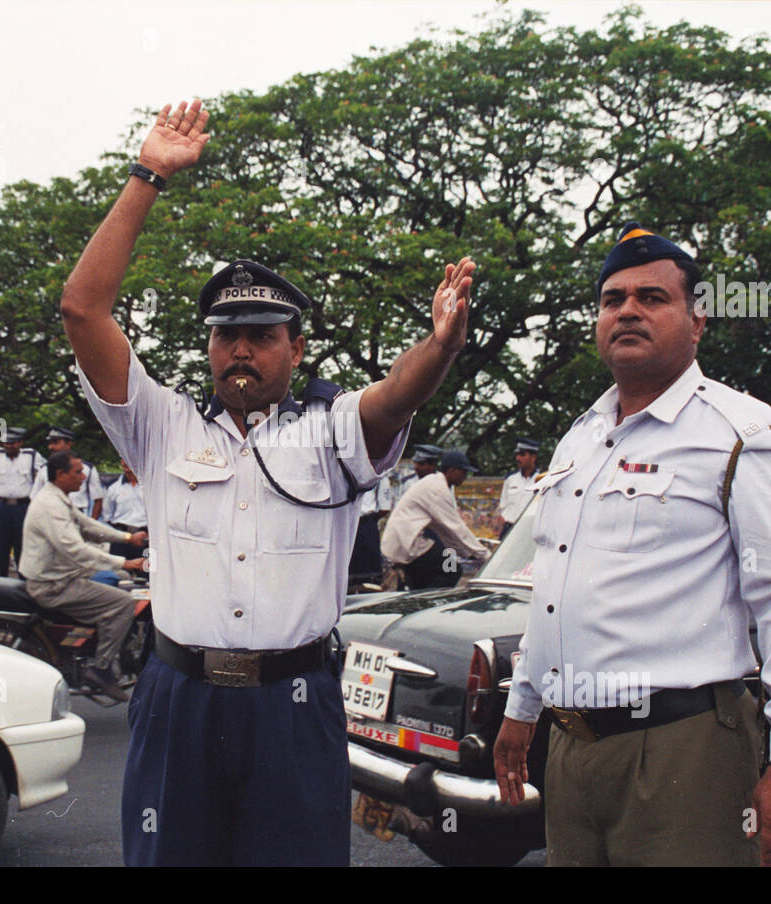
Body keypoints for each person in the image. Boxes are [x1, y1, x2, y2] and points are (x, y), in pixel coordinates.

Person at [59, 97, 474, 865]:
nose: (241, 351)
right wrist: (148, 173)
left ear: (295, 347)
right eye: (227, 336)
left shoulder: (331, 434)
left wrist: (439, 347)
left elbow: (394, 396)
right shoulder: (160, 426)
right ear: (210, 349)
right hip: (178, 697)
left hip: (294, 703)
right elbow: (83, 309)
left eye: (262, 336)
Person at [493, 222, 771, 867]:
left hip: (683, 748)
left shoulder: (741, 433)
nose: (627, 310)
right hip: (573, 745)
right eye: (612, 299)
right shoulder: (582, 439)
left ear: (697, 322)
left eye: (652, 297)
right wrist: (523, 705)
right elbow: (553, 587)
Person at [21, 450, 148, 701]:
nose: (83, 476)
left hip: (60, 577)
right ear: (61, 474)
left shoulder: (58, 498)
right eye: (77, 472)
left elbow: (88, 526)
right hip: (54, 585)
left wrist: (127, 538)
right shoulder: (50, 505)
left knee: (117, 585)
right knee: (122, 604)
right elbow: (75, 549)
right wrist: (126, 562)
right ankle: (101, 669)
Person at [381, 449, 490, 590]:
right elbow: (456, 528)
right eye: (464, 472)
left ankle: (419, 600)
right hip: (409, 542)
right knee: (452, 570)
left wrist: (469, 553)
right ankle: (429, 603)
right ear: (452, 470)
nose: (465, 477)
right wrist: (485, 555)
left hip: (406, 541)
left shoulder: (435, 483)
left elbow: (446, 532)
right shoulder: (437, 489)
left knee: (424, 580)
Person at [0, 427, 45, 577]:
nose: (9, 446)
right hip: (2, 507)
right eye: (6, 443)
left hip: (24, 507)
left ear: (20, 442)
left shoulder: (32, 455)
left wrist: (37, 496)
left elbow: (44, 475)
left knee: (23, 546)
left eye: (13, 443)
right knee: (0, 547)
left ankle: (24, 583)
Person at [31, 425, 105, 519]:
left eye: (55, 443)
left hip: (77, 515)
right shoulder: (44, 469)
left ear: (69, 443)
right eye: (49, 443)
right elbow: (34, 496)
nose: (50, 447)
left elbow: (98, 499)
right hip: (50, 516)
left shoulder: (86, 468)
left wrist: (91, 526)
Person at [349, 473, 394, 584]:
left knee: (370, 578)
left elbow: (384, 508)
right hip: (346, 525)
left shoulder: (379, 473)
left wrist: (369, 521)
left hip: (366, 526)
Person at [101, 458, 147, 561]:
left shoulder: (149, 487)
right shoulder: (113, 488)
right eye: (122, 458)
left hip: (146, 538)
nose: (125, 462)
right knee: (119, 573)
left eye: (128, 457)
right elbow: (107, 516)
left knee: (147, 572)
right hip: (121, 538)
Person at [498, 436, 540, 537]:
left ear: (533, 457)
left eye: (522, 455)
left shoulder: (541, 480)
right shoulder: (511, 479)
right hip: (509, 528)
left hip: (529, 530)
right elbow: (503, 505)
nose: (518, 458)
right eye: (517, 455)